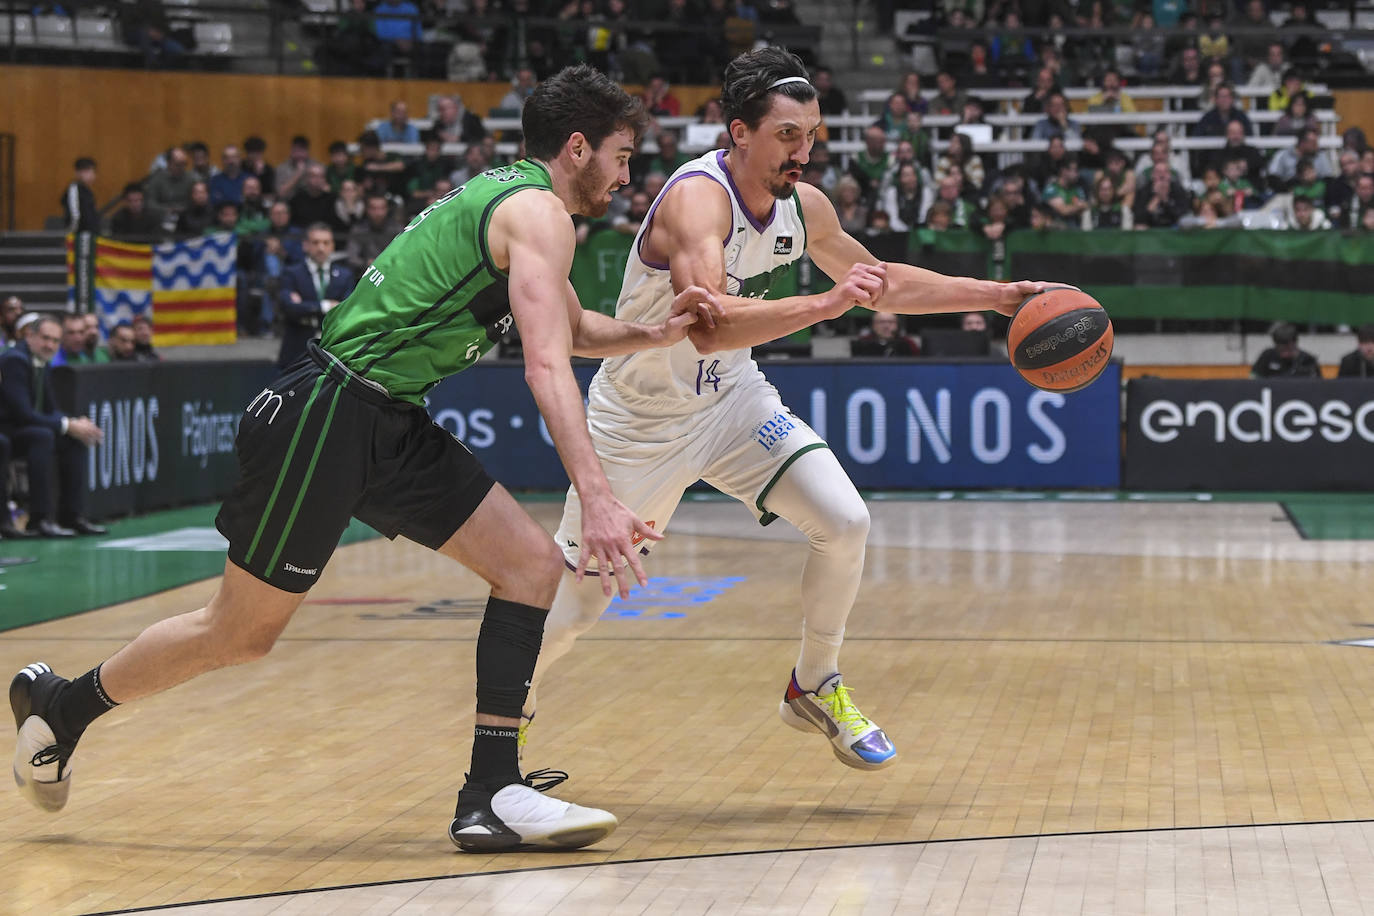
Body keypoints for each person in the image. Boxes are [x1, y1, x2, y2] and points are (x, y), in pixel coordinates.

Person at [8, 65, 721, 852]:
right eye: (621, 156)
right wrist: (599, 494)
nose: (627, 176)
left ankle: (491, 793)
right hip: (330, 412)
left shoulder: (514, 201)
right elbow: (547, 365)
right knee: (239, 634)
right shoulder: (541, 213)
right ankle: (60, 708)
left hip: (388, 418)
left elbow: (572, 327)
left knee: (530, 567)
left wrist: (653, 334)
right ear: (578, 147)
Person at [521, 48, 1054, 776]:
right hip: (642, 419)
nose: (805, 152)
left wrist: (994, 296)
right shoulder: (695, 201)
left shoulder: (807, 208)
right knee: (579, 606)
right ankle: (507, 724)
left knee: (845, 520)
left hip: (733, 400)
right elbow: (709, 324)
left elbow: (881, 283)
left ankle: (815, 683)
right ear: (739, 132)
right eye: (788, 136)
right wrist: (825, 305)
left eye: (813, 134)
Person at [0, 314, 106, 538]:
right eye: (45, 338)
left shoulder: (41, 361)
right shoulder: (15, 360)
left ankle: (72, 516)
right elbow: (23, 413)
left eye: (55, 341)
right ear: (30, 336)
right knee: (43, 436)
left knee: (73, 438)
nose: (50, 345)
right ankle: (39, 520)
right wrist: (66, 424)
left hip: (24, 428)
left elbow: (50, 409)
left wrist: (75, 424)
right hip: (8, 428)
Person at [274, 223, 357, 368]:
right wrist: (325, 306)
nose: (321, 248)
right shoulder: (291, 273)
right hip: (296, 349)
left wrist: (304, 307)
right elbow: (289, 308)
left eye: (326, 243)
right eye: (315, 242)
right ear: (305, 245)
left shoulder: (345, 275)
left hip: (333, 350)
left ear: (333, 246)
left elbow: (346, 310)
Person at [1252, 322, 1321, 378]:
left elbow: (1318, 384)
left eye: (1287, 348)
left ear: (1294, 343)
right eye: (1281, 349)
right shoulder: (1267, 356)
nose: (1284, 352)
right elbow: (1254, 377)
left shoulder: (1307, 360)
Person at [851, 311, 919, 356]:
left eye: (890, 322)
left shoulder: (908, 344)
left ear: (897, 324)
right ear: (873, 325)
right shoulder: (862, 344)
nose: (886, 326)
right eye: (881, 322)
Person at [62, 157, 99, 235]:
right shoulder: (74, 189)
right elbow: (75, 216)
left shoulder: (88, 192)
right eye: (86, 171)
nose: (91, 175)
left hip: (90, 235)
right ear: (77, 173)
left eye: (92, 171)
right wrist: (72, 234)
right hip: (78, 236)